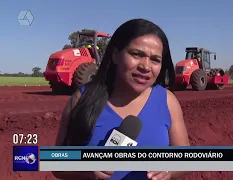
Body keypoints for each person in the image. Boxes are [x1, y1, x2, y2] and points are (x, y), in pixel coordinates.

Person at [53, 18, 190, 180]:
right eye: (137, 54)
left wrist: (168, 170)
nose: (145, 66)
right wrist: (87, 170)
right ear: (116, 55)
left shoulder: (168, 101)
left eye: (155, 59)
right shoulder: (82, 99)